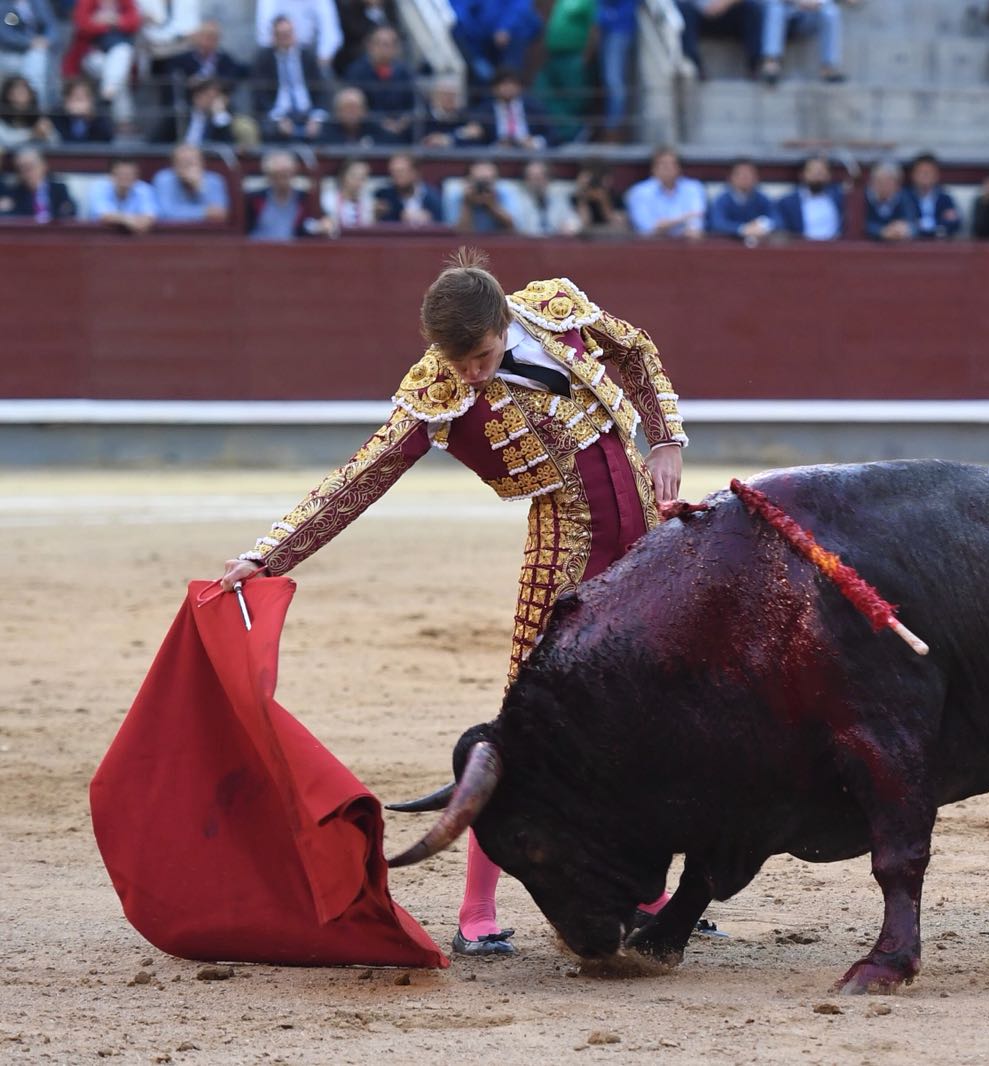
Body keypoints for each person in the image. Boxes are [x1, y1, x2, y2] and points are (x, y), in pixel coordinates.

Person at [220, 251, 689, 957]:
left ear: (505, 321)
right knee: (527, 731)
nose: (469, 373)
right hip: (564, 550)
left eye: (480, 355)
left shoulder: (557, 307)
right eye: (457, 360)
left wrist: (667, 438)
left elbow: (638, 349)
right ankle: (477, 908)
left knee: (654, 715)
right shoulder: (436, 389)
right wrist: (269, 555)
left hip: (649, 539)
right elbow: (362, 475)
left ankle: (652, 893)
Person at [253, 16, 331, 142]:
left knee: (327, 130)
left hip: (307, 113)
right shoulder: (264, 59)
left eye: (288, 34)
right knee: (270, 130)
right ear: (273, 37)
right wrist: (278, 118)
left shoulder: (308, 56)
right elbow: (260, 95)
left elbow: (321, 90)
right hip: (278, 114)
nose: (285, 38)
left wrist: (316, 118)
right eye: (281, 35)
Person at [70, 0, 140, 126]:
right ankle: (124, 121)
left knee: (122, 53)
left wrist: (114, 19)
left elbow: (134, 22)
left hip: (118, 54)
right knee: (119, 70)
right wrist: (107, 23)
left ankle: (108, 94)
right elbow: (82, 24)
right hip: (91, 54)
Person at [343, 24, 416, 142]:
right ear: (370, 45)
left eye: (389, 45)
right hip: (366, 134)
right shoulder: (356, 72)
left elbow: (413, 104)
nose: (384, 49)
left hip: (401, 133)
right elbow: (354, 105)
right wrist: (380, 122)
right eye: (380, 44)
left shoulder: (405, 73)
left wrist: (402, 122)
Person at [536, 0, 595, 145]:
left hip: (573, 55)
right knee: (540, 89)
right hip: (554, 55)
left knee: (574, 98)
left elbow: (595, 27)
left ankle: (577, 131)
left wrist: (587, 55)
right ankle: (560, 130)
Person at [451, 0, 543, 85]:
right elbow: (461, 11)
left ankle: (511, 99)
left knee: (509, 75)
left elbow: (520, 6)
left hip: (513, 35)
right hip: (480, 38)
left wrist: (505, 27)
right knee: (480, 74)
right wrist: (472, 31)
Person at [758, 0, 849, 84]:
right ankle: (771, 64)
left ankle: (828, 68)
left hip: (811, 12)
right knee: (775, 8)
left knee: (831, 12)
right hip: (787, 9)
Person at [625, 145, 706, 238]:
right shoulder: (639, 192)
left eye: (673, 164)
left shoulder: (693, 188)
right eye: (663, 164)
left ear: (679, 168)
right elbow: (647, 229)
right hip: (651, 247)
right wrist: (683, 219)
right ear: (653, 168)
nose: (668, 169)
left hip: (686, 246)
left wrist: (665, 225)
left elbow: (696, 226)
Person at [246, 148, 323, 240]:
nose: (282, 180)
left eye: (286, 174)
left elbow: (316, 224)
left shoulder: (305, 199)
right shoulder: (253, 199)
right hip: (258, 250)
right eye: (277, 175)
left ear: (294, 173)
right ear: (269, 176)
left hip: (295, 251)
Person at [676, 0, 761, 78]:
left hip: (729, 12)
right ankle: (692, 64)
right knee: (683, 10)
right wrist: (703, 5)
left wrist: (724, 3)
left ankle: (756, 66)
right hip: (698, 14)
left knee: (752, 8)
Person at [256, 0, 343, 74]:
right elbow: (264, 34)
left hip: (310, 57)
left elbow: (331, 34)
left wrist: (321, 59)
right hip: (276, 54)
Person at [152, 141, 228, 222]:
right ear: (173, 165)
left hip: (208, 232)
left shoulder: (215, 180)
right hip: (173, 232)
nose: (187, 168)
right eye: (182, 163)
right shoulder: (164, 179)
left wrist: (200, 187)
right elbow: (164, 213)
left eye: (191, 163)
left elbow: (219, 214)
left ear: (202, 163)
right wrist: (203, 212)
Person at [0, 0, 59, 105]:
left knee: (38, 57)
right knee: (37, 58)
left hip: (35, 51)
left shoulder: (38, 2)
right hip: (9, 52)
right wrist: (29, 42)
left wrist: (46, 40)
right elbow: (4, 34)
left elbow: (51, 26)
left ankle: (38, 108)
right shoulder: (3, 4)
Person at [773, 153, 842, 240]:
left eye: (821, 171)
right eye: (812, 171)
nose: (817, 175)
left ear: (829, 175)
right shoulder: (788, 203)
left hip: (835, 249)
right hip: (802, 250)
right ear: (802, 174)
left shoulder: (840, 199)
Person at [707, 157, 776, 242]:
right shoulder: (722, 199)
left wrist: (761, 225)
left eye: (749, 174)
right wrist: (743, 229)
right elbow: (718, 224)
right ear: (731, 177)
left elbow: (777, 219)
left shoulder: (761, 198)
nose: (745, 178)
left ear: (756, 178)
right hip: (729, 245)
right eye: (740, 174)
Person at [596, 0, 637, 138]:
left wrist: (604, 16)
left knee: (613, 81)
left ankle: (613, 131)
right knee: (608, 82)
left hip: (619, 30)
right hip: (609, 31)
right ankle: (610, 128)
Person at [85, 157, 157, 234]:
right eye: (121, 174)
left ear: (137, 176)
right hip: (99, 236)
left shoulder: (144, 189)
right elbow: (105, 216)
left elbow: (150, 216)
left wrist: (139, 222)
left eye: (129, 174)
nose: (125, 177)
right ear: (111, 175)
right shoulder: (99, 187)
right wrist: (129, 221)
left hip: (136, 238)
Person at [157, 76, 236, 146]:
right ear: (196, 96)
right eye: (208, 96)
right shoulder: (180, 116)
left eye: (216, 97)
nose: (211, 101)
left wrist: (219, 114)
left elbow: (227, 143)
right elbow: (158, 141)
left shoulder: (223, 118)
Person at [478, 68, 546, 149]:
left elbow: (552, 135)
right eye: (504, 84)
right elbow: (476, 139)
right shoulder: (484, 110)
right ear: (494, 89)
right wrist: (495, 146)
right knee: (483, 162)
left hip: (529, 152)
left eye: (512, 84)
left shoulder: (533, 107)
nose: (508, 88)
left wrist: (535, 142)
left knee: (537, 162)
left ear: (520, 87)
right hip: (496, 154)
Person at [2, 146, 75, 221]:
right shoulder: (15, 193)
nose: (26, 171)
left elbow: (70, 211)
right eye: (21, 167)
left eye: (30, 166)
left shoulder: (59, 189)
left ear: (43, 166)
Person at [514, 158, 580, 236]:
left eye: (539, 177)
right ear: (526, 180)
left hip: (555, 244)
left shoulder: (558, 198)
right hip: (528, 244)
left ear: (548, 179)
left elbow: (574, 222)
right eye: (532, 178)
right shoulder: (518, 200)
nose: (536, 182)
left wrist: (569, 227)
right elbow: (517, 229)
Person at [374, 151, 442, 226]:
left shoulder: (433, 196)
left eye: (401, 172)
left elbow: (442, 224)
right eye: (393, 172)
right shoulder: (384, 196)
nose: (396, 176)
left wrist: (430, 220)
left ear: (415, 172)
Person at [451, 158, 517, 234]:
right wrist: (467, 204)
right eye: (478, 182)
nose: (483, 188)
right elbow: (459, 234)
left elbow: (513, 228)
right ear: (468, 180)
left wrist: (492, 205)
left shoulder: (504, 194)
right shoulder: (458, 195)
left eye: (487, 182)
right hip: (469, 244)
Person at [318, 86, 393, 146]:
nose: (351, 113)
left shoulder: (374, 126)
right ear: (338, 111)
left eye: (355, 108)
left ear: (364, 111)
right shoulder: (328, 129)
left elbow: (388, 142)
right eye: (346, 108)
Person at [419, 81, 486, 147]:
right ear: (435, 97)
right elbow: (428, 142)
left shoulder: (465, 116)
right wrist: (461, 133)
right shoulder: (424, 118)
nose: (450, 98)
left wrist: (446, 139)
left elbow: (474, 139)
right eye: (446, 94)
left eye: (453, 95)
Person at [863, 160, 916, 241]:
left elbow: (914, 224)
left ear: (897, 184)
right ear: (872, 183)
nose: (883, 186)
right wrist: (881, 231)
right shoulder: (863, 199)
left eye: (888, 182)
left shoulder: (906, 198)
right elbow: (861, 225)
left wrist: (902, 229)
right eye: (879, 182)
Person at [48, 77, 113, 143]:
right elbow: (60, 141)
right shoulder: (56, 117)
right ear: (66, 100)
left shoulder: (100, 118)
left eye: (83, 98)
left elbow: (107, 137)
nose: (79, 103)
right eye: (76, 98)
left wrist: (89, 118)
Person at [321, 155, 375, 232]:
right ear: (343, 176)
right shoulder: (328, 199)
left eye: (363, 177)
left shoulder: (369, 202)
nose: (358, 181)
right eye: (354, 176)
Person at [572, 158, 626, 234]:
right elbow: (582, 225)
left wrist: (604, 201)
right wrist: (582, 199)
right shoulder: (575, 197)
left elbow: (619, 226)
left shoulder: (616, 197)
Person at [0, 73, 51, 148]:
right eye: (16, 92)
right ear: (8, 95)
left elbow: (56, 143)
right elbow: (5, 139)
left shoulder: (37, 115)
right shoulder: (2, 114)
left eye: (24, 91)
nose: (20, 96)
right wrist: (32, 134)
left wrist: (48, 132)